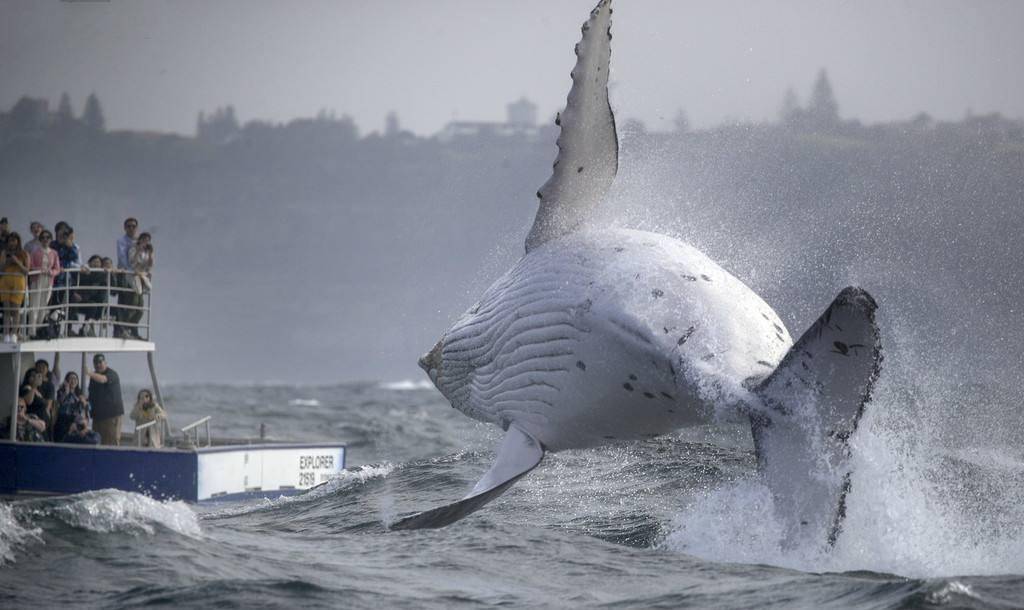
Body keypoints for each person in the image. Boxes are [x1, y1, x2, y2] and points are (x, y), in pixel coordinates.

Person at [28, 230, 60, 338]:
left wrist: (51, 272)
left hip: (48, 280)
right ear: (40, 240)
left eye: (48, 237)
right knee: (34, 305)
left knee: (43, 305)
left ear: (50, 239)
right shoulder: (35, 252)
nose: (45, 239)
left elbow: (57, 268)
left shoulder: (54, 253)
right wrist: (39, 269)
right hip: (37, 279)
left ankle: (39, 329)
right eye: (43, 237)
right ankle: (32, 331)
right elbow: (31, 266)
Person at [87, 353, 124, 445]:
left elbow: (103, 379)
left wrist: (89, 373)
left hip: (111, 416)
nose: (98, 365)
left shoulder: (112, 374)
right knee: (97, 441)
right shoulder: (93, 378)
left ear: (105, 362)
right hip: (97, 417)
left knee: (111, 442)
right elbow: (92, 394)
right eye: (96, 363)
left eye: (100, 362)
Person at [0, 232, 29, 342]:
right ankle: (6, 333)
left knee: (15, 309)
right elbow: (1, 269)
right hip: (5, 282)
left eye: (14, 240)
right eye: (10, 240)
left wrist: (17, 261)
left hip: (18, 282)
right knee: (6, 309)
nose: (12, 243)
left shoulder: (24, 253)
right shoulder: (4, 253)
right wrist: (8, 261)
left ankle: (14, 333)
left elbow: (26, 271)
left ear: (18, 241)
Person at [54, 371, 91, 442]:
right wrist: (66, 391)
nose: (73, 381)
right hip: (65, 420)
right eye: (71, 379)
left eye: (75, 379)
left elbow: (89, 408)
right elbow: (61, 402)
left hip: (78, 421)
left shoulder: (80, 393)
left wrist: (85, 403)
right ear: (66, 380)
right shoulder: (61, 391)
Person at [76, 254, 107, 336]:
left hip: (93, 301)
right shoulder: (84, 272)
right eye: (94, 261)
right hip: (81, 300)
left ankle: (87, 327)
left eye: (98, 262)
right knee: (92, 306)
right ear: (89, 263)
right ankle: (85, 328)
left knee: (98, 305)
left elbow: (104, 291)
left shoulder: (102, 276)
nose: (96, 264)